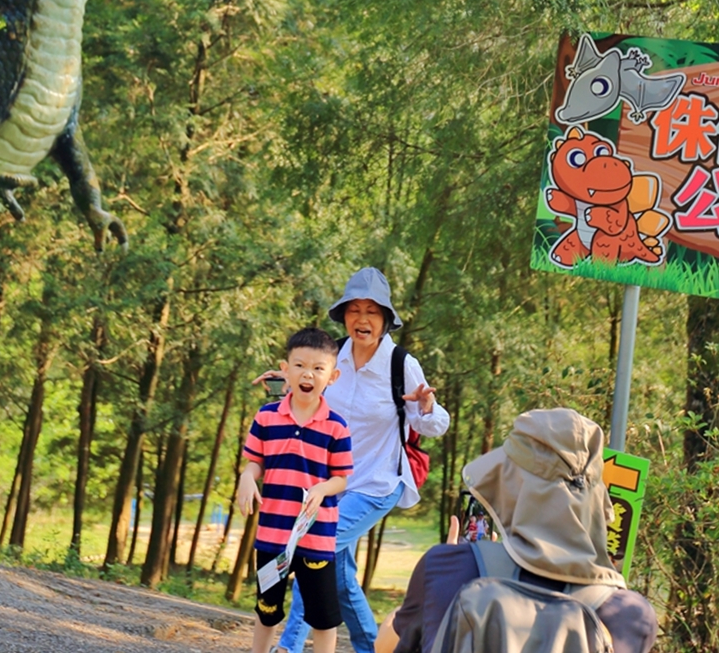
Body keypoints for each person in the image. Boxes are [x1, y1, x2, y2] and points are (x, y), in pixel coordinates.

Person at [379, 408, 657, 653]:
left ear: (509, 485)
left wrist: (441, 574)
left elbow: (385, 647)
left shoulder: (445, 568)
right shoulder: (632, 615)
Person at [275, 267, 450, 653]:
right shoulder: (331, 357)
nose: (362, 319)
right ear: (344, 316)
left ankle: (288, 646)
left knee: (314, 546)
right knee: (339, 578)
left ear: (386, 318)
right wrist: (288, 381)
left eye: (372, 311)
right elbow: (308, 398)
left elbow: (436, 425)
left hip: (377, 484)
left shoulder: (400, 364)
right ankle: (370, 648)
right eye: (354, 310)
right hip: (332, 485)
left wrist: (427, 406)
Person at [238, 327, 353, 653]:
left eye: (319, 368)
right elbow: (254, 461)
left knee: (322, 618)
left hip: (316, 537)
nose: (309, 374)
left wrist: (322, 489)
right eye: (300, 365)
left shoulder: (337, 426)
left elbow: (342, 478)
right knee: (267, 610)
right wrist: (247, 476)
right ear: (285, 369)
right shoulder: (267, 417)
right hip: (272, 535)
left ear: (332, 376)